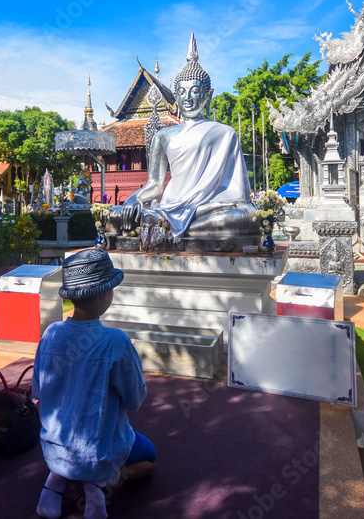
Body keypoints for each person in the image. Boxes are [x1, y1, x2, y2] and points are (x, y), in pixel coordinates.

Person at [32, 249, 156, 519]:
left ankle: (55, 482)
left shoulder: (50, 333)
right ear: (106, 293)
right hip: (99, 453)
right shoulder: (116, 341)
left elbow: (38, 391)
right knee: (149, 455)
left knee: (72, 443)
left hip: (54, 448)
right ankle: (102, 483)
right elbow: (135, 399)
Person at [108, 33, 260, 240]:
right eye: (181, 92)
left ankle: (165, 227)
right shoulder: (163, 136)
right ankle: (164, 224)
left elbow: (237, 194)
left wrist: (201, 209)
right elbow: (154, 184)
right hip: (168, 206)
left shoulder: (225, 133)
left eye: (194, 91)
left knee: (247, 218)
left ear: (208, 95)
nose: (187, 98)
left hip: (206, 210)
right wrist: (133, 199)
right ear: (176, 96)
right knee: (113, 216)